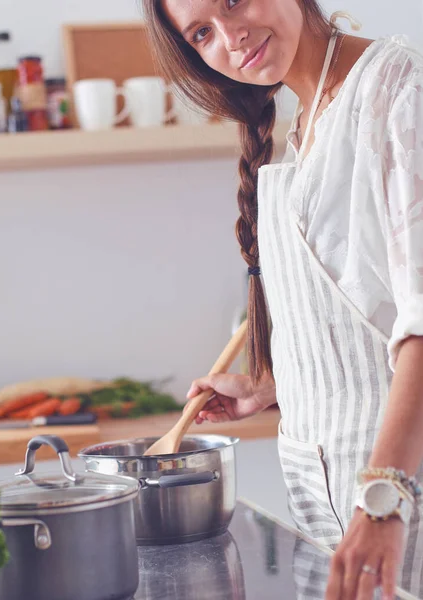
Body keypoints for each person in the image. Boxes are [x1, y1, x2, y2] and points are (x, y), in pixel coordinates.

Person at [142, 1, 423, 599]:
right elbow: (366, 307)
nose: (230, 36)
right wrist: (275, 383)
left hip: (398, 501)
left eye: (233, 1)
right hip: (329, 508)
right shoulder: (305, 121)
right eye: (202, 32)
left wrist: (383, 500)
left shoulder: (397, 91)